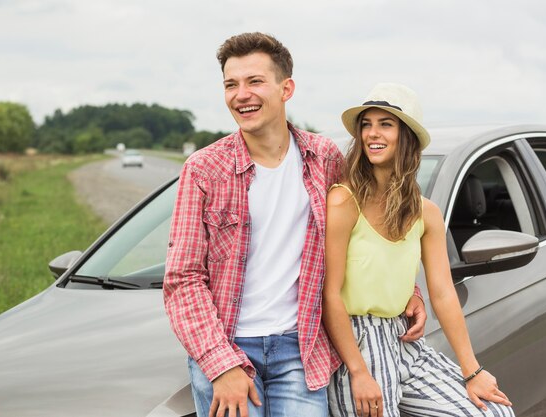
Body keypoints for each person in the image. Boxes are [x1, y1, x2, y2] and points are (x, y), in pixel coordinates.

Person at [163, 33, 426, 417]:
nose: (241, 95)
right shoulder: (203, 169)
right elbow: (182, 279)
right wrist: (221, 364)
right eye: (231, 85)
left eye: (254, 81)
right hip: (229, 347)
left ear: (286, 88)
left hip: (301, 352)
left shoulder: (324, 159)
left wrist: (411, 291)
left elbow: (367, 236)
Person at [323, 83, 515, 417]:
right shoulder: (343, 201)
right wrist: (357, 370)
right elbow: (330, 295)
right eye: (366, 124)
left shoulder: (426, 213)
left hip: (404, 342)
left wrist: (473, 371)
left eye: (386, 124)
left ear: (407, 136)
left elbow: (442, 293)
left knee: (492, 412)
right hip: (355, 345)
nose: (372, 133)